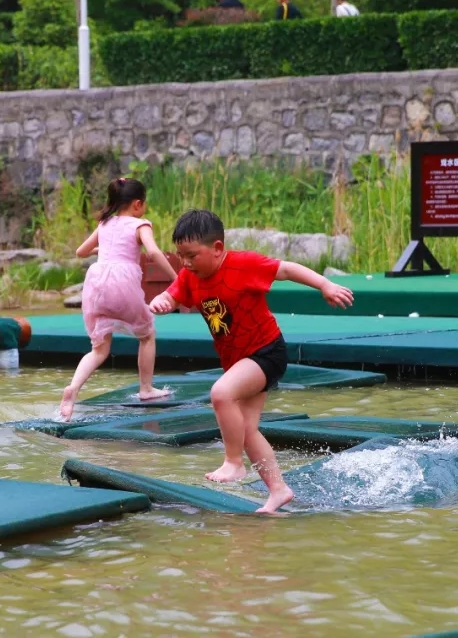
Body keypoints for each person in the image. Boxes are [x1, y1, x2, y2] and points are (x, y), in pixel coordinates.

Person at [150, 209, 353, 514]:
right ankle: (279, 490)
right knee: (245, 429)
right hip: (238, 360)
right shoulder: (190, 276)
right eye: (180, 256)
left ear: (217, 248)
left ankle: (233, 463)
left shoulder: (243, 264)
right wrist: (162, 302)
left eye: (192, 255)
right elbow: (173, 296)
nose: (186, 263)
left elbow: (286, 269)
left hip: (266, 352)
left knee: (221, 394)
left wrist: (324, 284)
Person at [59, 178, 177, 421]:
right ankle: (146, 389)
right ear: (137, 204)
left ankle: (73, 389)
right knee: (147, 335)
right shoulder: (140, 224)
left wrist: (102, 249)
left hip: (96, 284)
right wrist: (177, 278)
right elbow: (153, 252)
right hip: (122, 282)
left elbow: (81, 252)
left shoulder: (104, 223)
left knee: (99, 349)